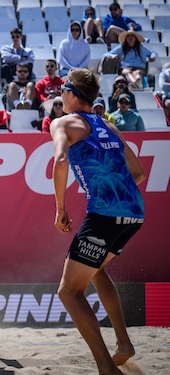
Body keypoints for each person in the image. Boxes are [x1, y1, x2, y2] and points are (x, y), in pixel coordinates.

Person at [50, 68, 145, 375]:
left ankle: (106, 367)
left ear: (70, 94)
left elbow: (61, 160)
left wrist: (60, 208)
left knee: (68, 292)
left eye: (63, 90)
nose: (60, 96)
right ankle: (123, 343)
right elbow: (139, 173)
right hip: (133, 213)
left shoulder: (63, 122)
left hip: (103, 215)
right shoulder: (108, 126)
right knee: (96, 270)